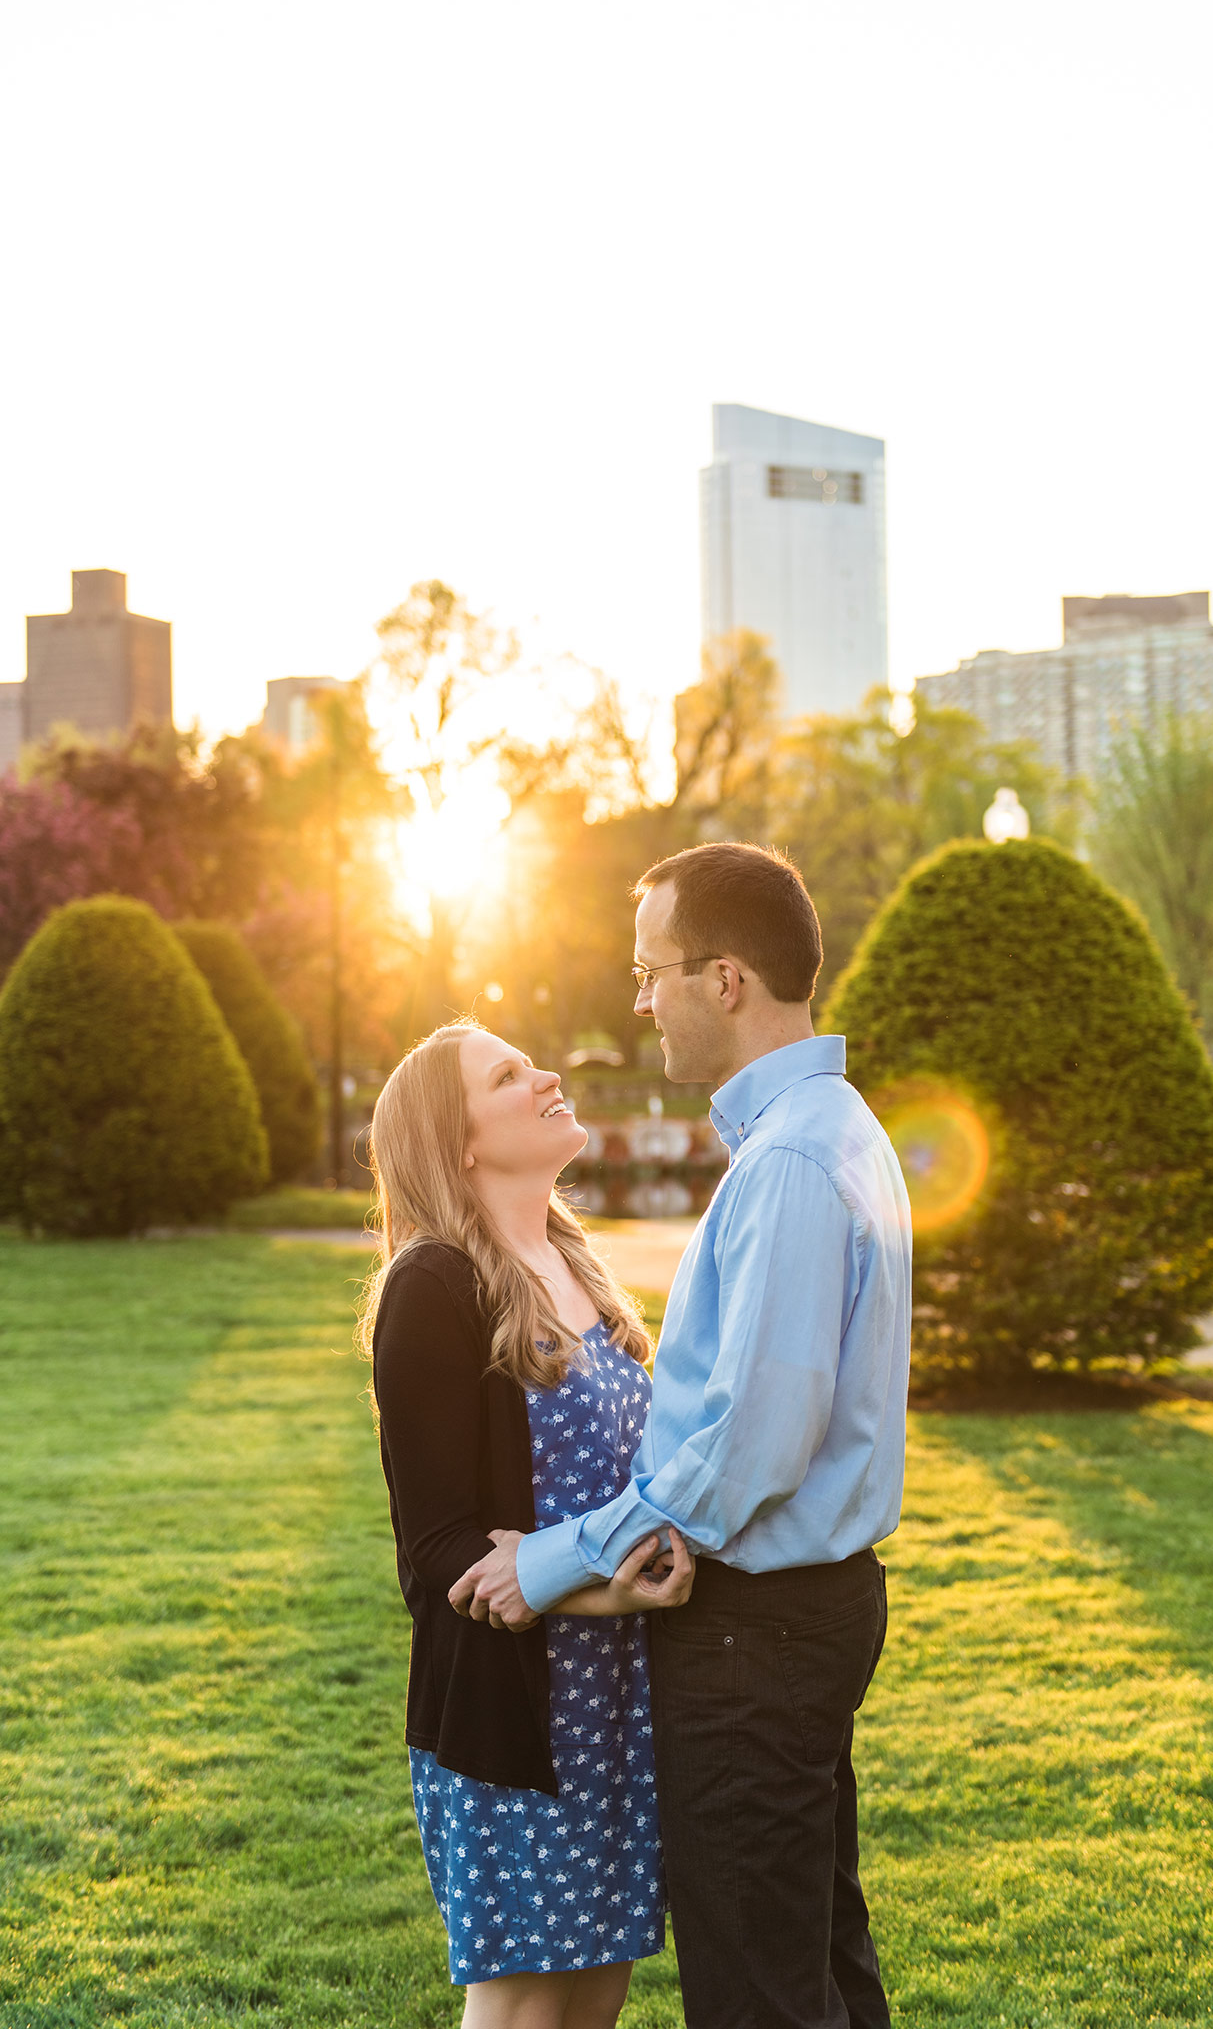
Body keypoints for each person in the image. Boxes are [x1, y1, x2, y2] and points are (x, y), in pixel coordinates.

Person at [453, 842, 914, 2029]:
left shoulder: (796, 1161)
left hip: (753, 1640)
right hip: (797, 1616)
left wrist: (547, 1559)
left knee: (759, 1990)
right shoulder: (825, 1129)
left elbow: (742, 1450)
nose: (638, 998)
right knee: (815, 1958)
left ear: (725, 979)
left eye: (650, 971)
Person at [359, 1020, 695, 2029]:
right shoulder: (432, 1285)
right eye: (508, 1076)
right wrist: (607, 1584)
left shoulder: (574, 1266)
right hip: (516, 1714)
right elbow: (439, 1556)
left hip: (617, 1706)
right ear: (456, 1142)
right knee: (518, 2007)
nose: (546, 1073)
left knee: (594, 1992)